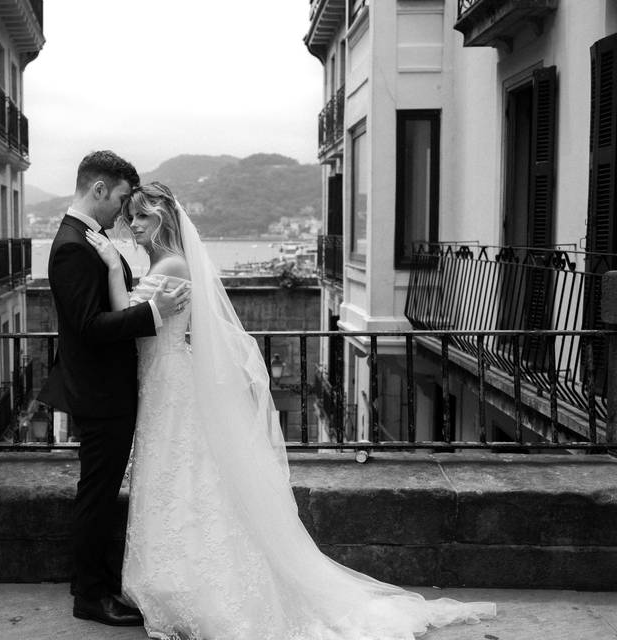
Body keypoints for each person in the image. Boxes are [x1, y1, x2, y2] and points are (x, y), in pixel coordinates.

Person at [85, 181, 497, 640]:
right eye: (132, 217)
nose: (134, 225)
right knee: (170, 478)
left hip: (169, 384)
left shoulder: (174, 263)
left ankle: (195, 585)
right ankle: (166, 580)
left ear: (163, 216)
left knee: (182, 478)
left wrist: (109, 268)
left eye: (143, 216)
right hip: (161, 382)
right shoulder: (162, 264)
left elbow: (129, 322)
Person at [37, 153, 191, 627]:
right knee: (97, 495)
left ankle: (98, 585)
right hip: (101, 393)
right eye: (124, 199)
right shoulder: (71, 246)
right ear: (99, 189)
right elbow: (88, 326)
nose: (124, 214)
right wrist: (153, 312)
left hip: (113, 390)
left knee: (101, 494)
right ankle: (90, 595)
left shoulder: (88, 240)